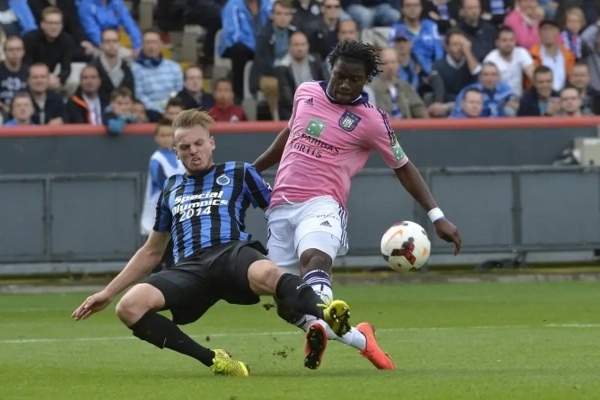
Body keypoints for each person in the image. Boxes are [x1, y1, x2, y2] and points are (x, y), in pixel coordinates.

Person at [72, 109, 352, 377]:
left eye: (199, 143)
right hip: (189, 268)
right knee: (129, 307)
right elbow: (152, 251)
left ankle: (326, 312)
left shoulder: (240, 173)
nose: (193, 151)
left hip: (232, 254)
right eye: (185, 147)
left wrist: (307, 238)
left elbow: (282, 213)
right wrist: (108, 292)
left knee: (268, 272)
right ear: (176, 151)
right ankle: (215, 359)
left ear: (211, 143)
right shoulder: (171, 188)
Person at [253, 40, 462, 371]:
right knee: (284, 302)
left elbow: (403, 166)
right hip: (280, 205)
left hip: (323, 203)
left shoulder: (372, 121)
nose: (345, 85)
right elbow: (289, 133)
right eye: (340, 76)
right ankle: (359, 338)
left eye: (355, 80)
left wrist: (437, 216)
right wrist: (252, 171)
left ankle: (323, 317)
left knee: (315, 258)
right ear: (331, 69)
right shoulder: (305, 92)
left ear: (365, 81)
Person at [140, 118, 185, 273]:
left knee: (174, 250)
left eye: (169, 135)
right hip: (159, 210)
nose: (166, 138)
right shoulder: (156, 159)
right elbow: (161, 181)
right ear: (156, 137)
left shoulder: (181, 157)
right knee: (156, 252)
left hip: (177, 210)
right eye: (162, 135)